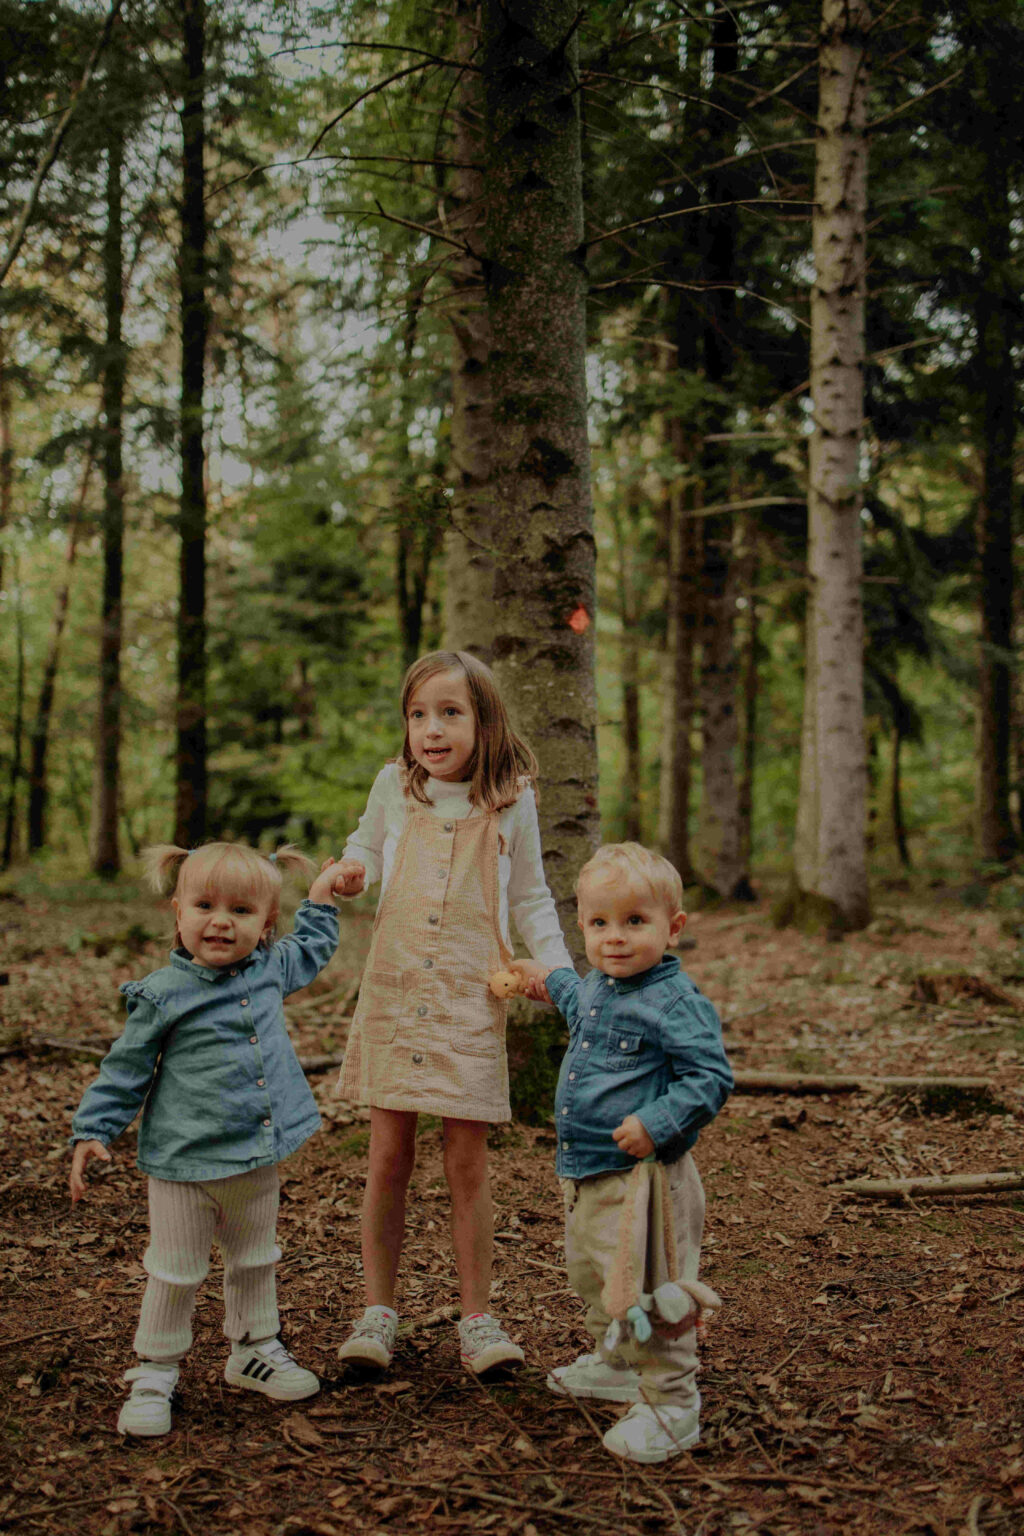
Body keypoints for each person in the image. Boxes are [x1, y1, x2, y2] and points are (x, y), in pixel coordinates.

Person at [330, 649, 574, 1376]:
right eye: (417, 715)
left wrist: (558, 970)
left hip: (471, 994)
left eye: (449, 713)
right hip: (398, 991)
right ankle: (377, 1312)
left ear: (483, 719)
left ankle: (477, 1318)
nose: (431, 729)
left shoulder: (510, 799)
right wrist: (350, 872)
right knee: (387, 1155)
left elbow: (529, 895)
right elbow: (366, 847)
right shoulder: (392, 787)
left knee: (467, 1160)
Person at [68, 841, 343, 1438]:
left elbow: (315, 946)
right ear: (178, 912)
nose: (220, 921)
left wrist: (320, 898)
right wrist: (94, 1129)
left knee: (255, 1258)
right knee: (175, 1269)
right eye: (205, 906)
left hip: (255, 1154)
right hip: (183, 1162)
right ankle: (155, 1370)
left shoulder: (272, 968)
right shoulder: (163, 992)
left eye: (242, 912)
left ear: (266, 925)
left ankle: (253, 1348)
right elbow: (126, 1067)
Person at [513, 842, 733, 1464]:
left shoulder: (674, 1001)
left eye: (635, 922)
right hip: (583, 1171)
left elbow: (709, 1076)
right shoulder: (599, 986)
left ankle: (671, 1402)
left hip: (645, 1180)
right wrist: (542, 978)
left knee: (650, 1286)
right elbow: (573, 998)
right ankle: (616, 1362)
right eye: (599, 923)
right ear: (582, 926)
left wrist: (659, 1121)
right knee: (593, 1277)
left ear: (673, 928)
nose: (615, 938)